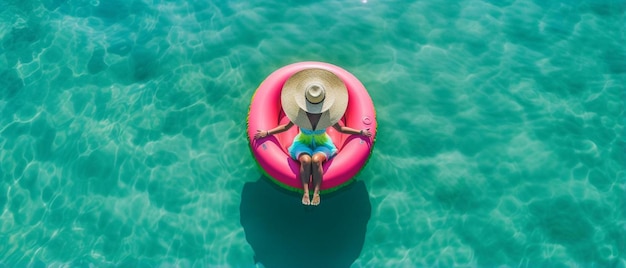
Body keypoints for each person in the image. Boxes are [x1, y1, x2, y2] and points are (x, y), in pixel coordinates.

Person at [254, 68, 372, 206]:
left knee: (316, 160)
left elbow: (341, 129)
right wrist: (267, 133)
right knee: (305, 160)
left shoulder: (327, 113)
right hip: (302, 142)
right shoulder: (300, 113)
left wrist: (360, 132)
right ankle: (305, 192)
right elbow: (286, 128)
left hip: (323, 143)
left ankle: (316, 192)